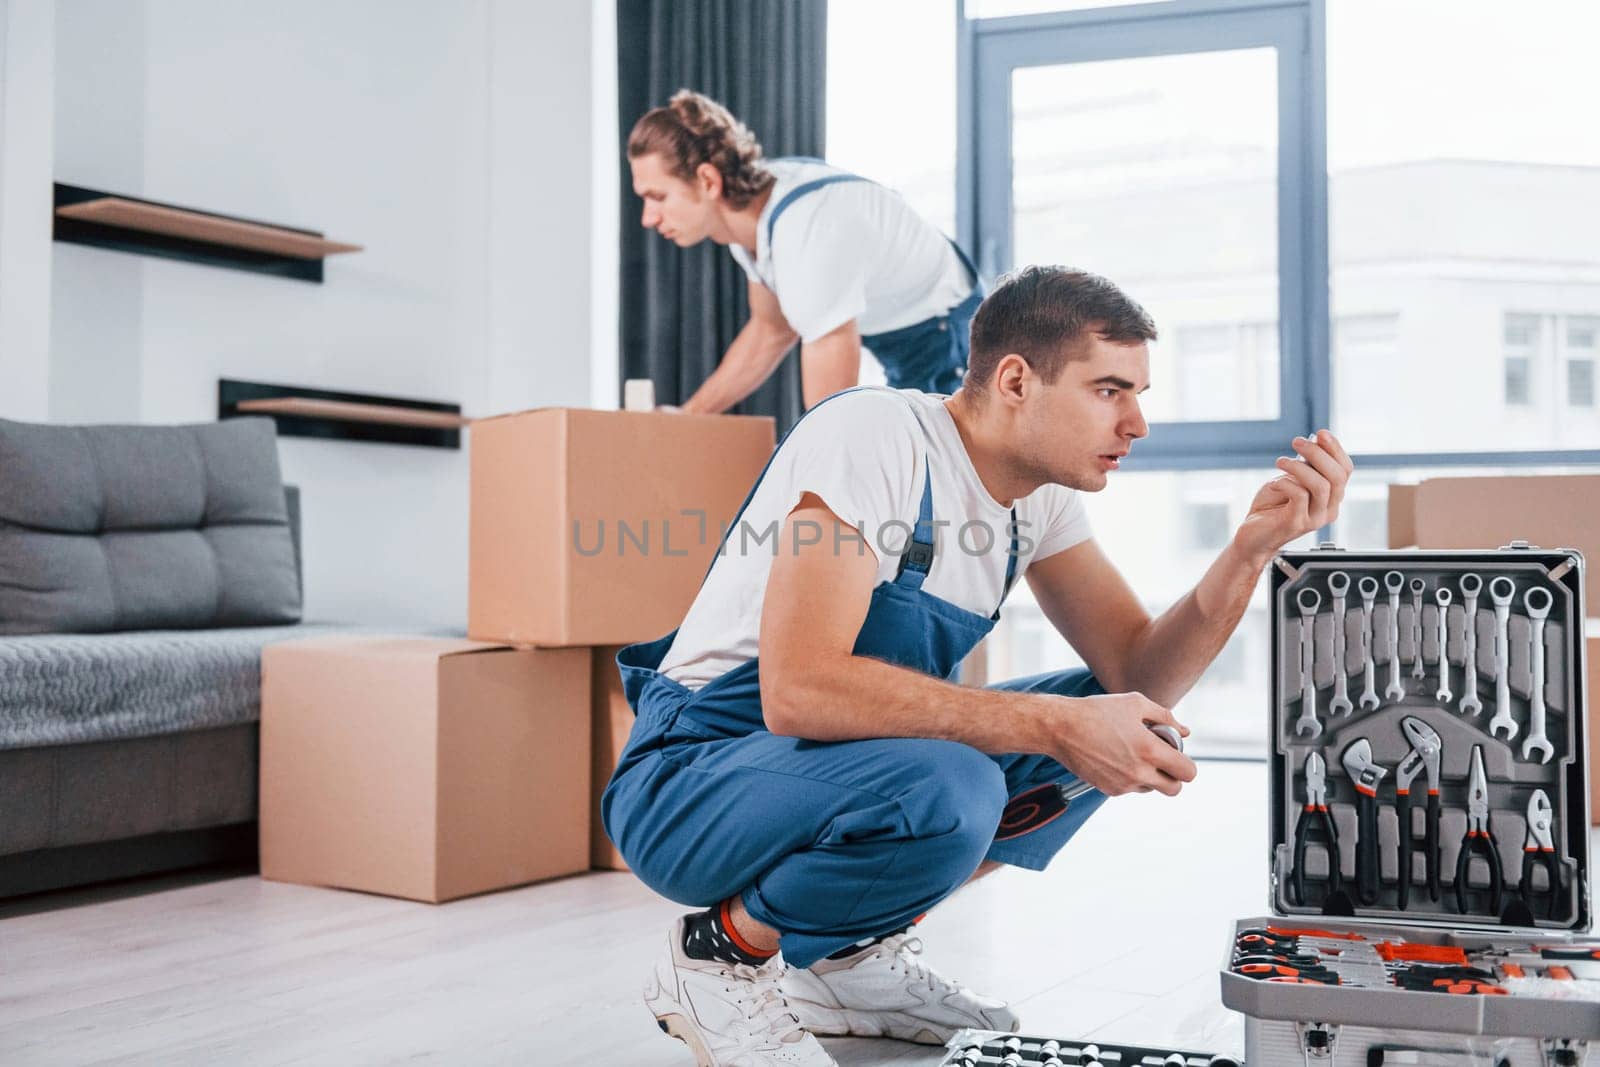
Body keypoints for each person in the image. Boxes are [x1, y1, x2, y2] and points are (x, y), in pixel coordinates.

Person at [603, 266, 1354, 1067]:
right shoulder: (875, 435)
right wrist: (1055, 724)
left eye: (1138, 392)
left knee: (1122, 708)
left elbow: (1141, 671)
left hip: (821, 770)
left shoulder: (1038, 501)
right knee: (952, 784)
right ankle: (716, 956)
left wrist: (1250, 552)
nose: (1136, 422)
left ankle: (846, 966)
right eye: (1109, 389)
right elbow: (799, 689)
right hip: (692, 779)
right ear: (1016, 380)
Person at [628, 90, 983, 412]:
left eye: (657, 197)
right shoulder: (749, 220)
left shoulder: (805, 233)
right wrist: (690, 417)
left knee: (923, 471)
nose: (648, 218)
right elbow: (771, 329)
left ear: (708, 181)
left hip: (944, 332)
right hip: (903, 328)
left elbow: (831, 420)